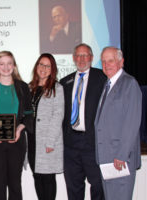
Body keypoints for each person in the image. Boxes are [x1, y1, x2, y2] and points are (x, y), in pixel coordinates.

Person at [0, 51, 33, 200]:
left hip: (16, 142)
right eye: (2, 64)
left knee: (15, 184)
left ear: (14, 66)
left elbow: (29, 115)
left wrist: (19, 129)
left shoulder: (23, 87)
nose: (6, 67)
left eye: (9, 63)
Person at [94, 47, 142, 200]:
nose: (106, 65)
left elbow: (132, 123)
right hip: (107, 158)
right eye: (103, 61)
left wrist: (121, 155)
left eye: (111, 60)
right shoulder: (108, 84)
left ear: (121, 62)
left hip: (120, 159)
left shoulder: (129, 84)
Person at [60, 43, 106, 200]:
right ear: (73, 58)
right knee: (73, 187)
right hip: (70, 144)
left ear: (91, 58)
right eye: (78, 55)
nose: (81, 59)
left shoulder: (103, 78)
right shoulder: (64, 82)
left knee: (99, 185)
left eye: (85, 55)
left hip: (93, 143)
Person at [27, 53, 64, 200]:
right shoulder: (30, 88)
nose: (43, 68)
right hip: (31, 141)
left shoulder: (57, 88)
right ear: (37, 66)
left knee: (48, 180)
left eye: (47, 66)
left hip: (47, 142)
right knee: (37, 178)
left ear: (52, 69)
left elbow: (58, 115)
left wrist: (50, 141)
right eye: (41, 64)